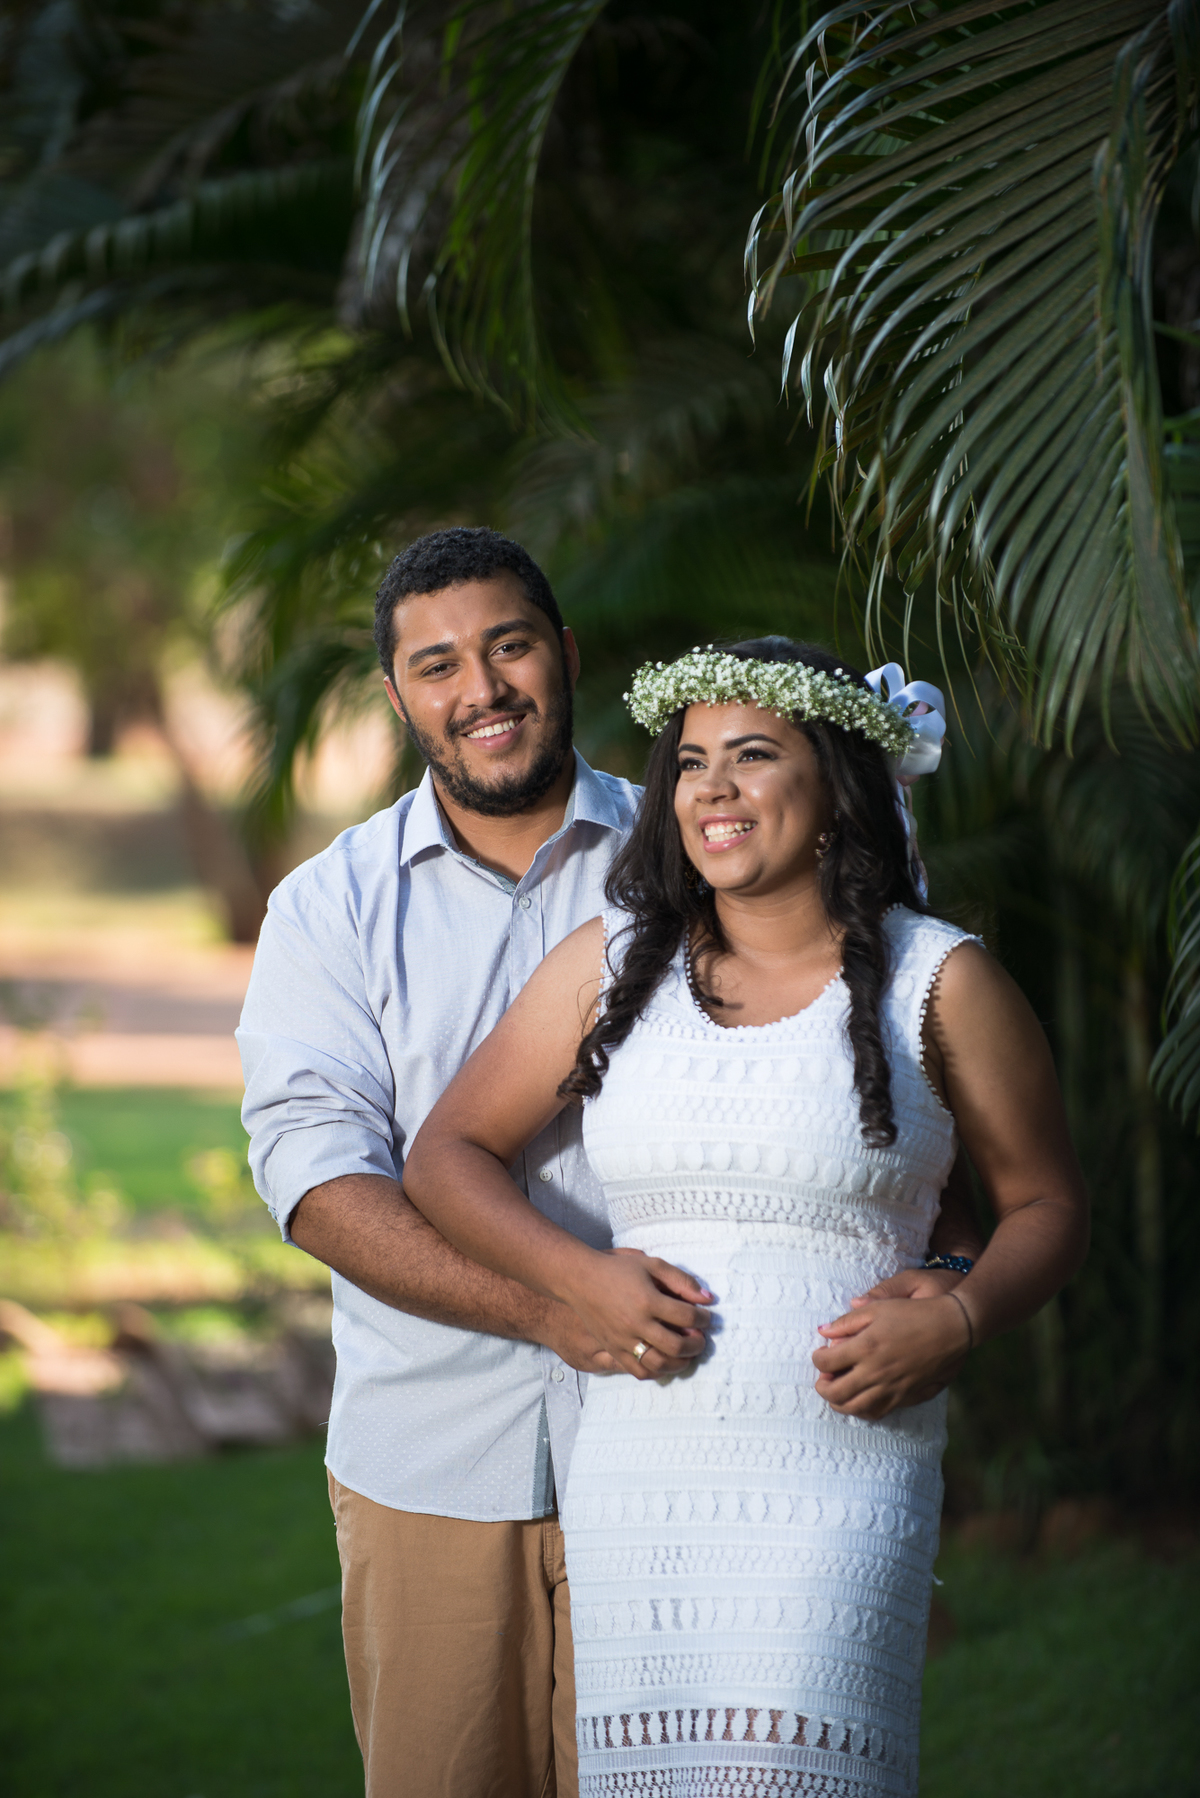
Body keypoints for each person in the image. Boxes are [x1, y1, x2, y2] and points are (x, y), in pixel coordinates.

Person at [238, 545, 981, 1798]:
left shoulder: (707, 844)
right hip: (434, 1453)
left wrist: (952, 1275)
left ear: (566, 653)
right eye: (438, 664)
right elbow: (319, 1185)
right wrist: (553, 1305)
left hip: (696, 1452)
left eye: (510, 645)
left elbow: (883, 1091)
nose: (483, 688)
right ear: (398, 696)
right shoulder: (330, 907)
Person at [403, 637, 1089, 1798]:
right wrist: (579, 1277)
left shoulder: (942, 979)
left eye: (754, 755)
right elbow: (445, 1156)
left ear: (837, 787)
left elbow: (1047, 1202)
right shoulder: (610, 965)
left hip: (843, 1475)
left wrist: (961, 1312)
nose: (712, 788)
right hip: (641, 1481)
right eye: (691, 762)